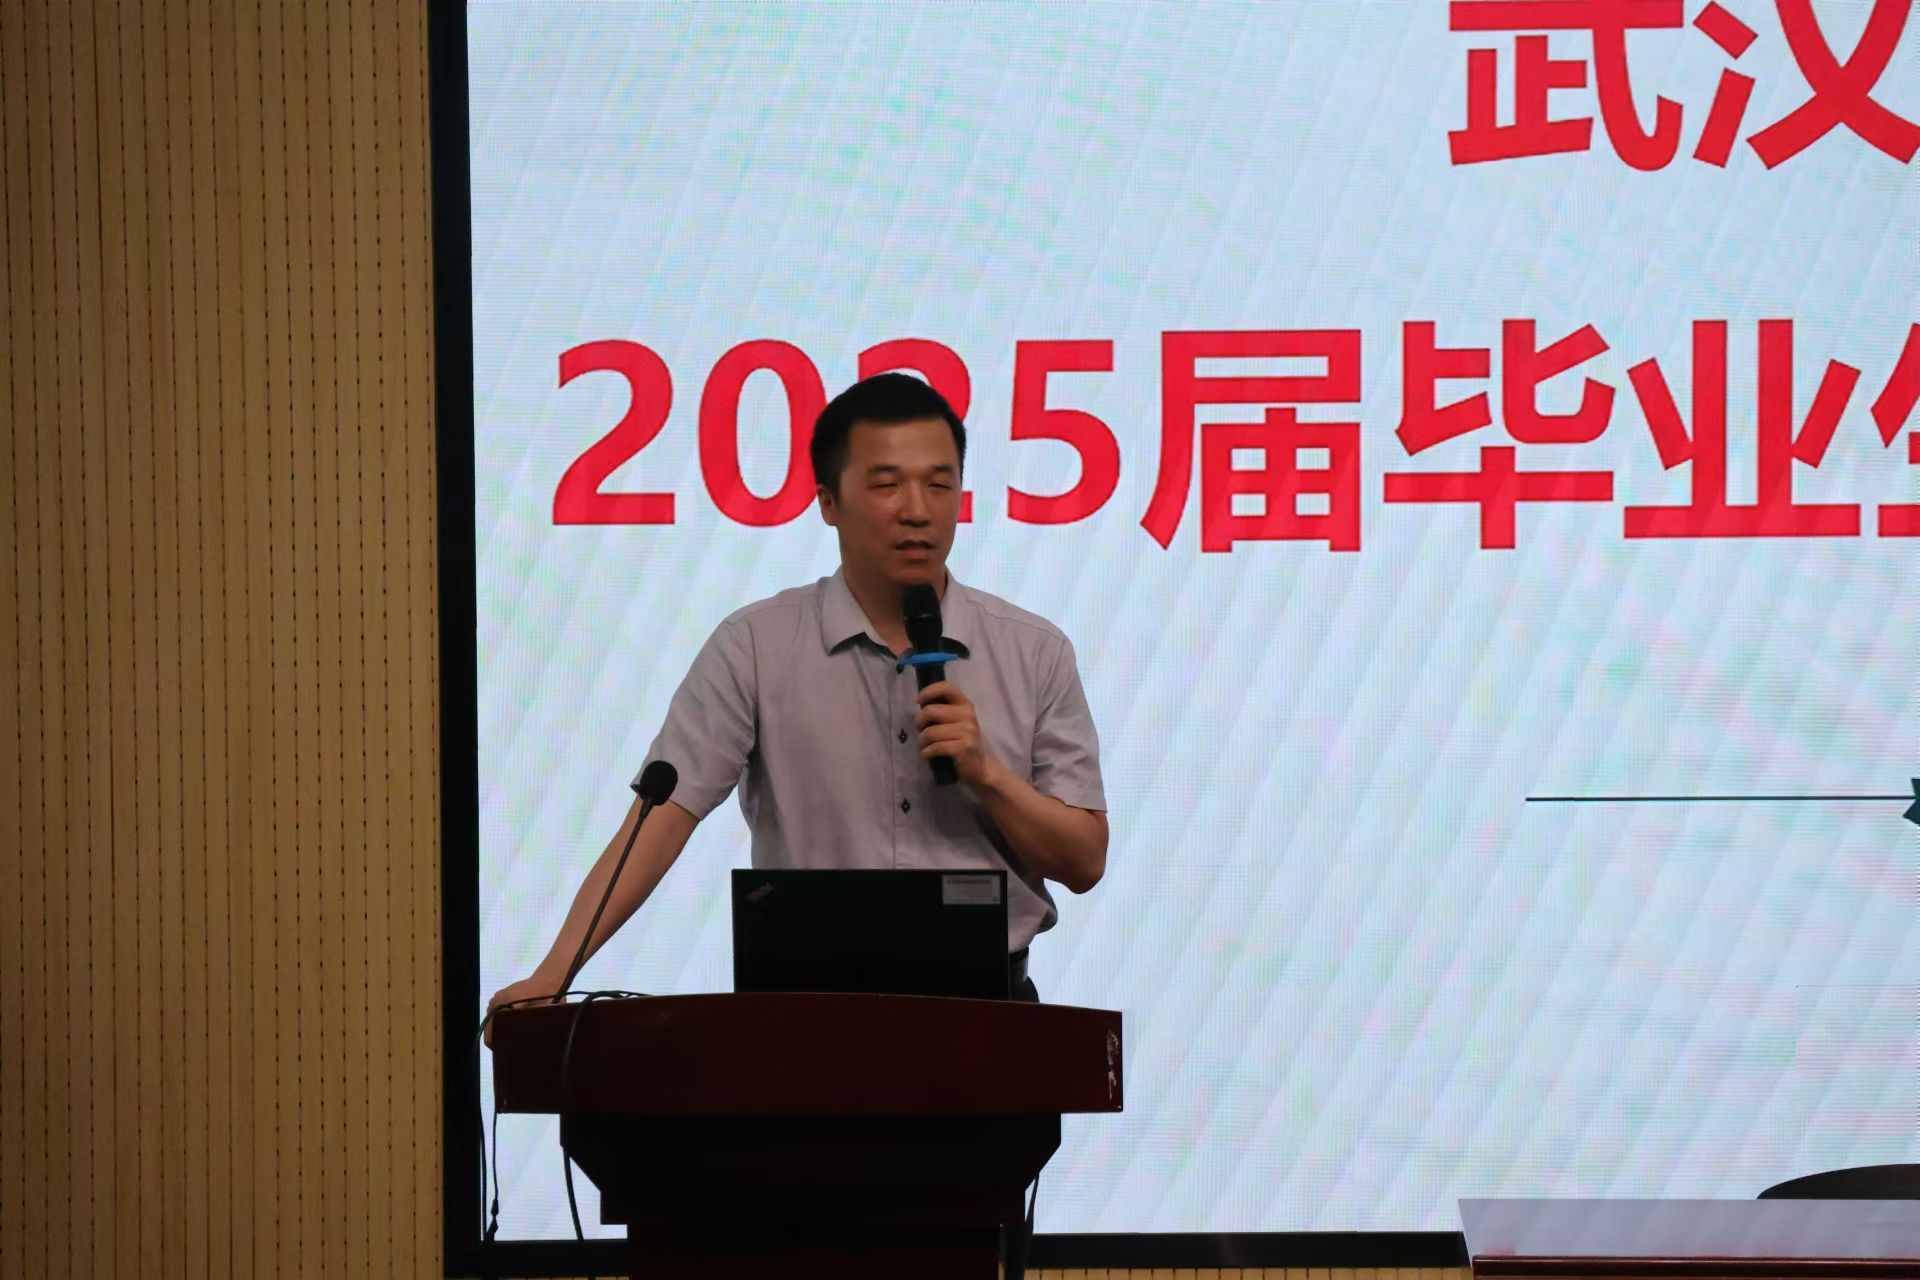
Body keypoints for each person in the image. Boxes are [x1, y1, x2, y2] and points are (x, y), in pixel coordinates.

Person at [486, 372, 1108, 1031]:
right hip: (805, 1021)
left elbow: (1084, 860)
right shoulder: (756, 645)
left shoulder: (1033, 651)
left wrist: (988, 775)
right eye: (887, 484)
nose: (918, 510)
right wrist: (555, 974)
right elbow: (663, 816)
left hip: (989, 1019)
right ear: (828, 502)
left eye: (939, 483)